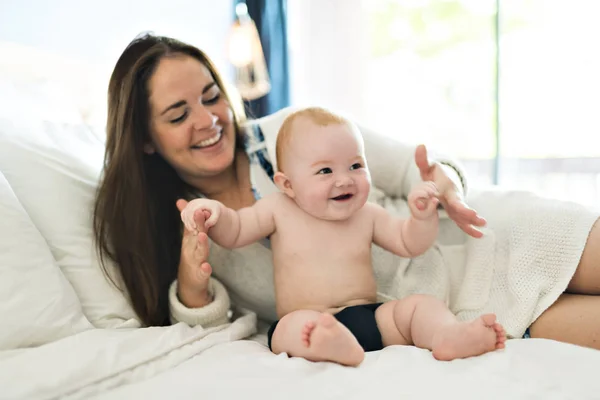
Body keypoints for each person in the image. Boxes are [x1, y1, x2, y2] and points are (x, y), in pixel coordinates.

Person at [93, 33, 600, 353]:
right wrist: (192, 273)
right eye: (179, 114)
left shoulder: (293, 129)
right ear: (143, 139)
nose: (208, 121)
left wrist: (442, 188)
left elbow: (418, 167)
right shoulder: (200, 228)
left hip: (482, 237)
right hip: (441, 314)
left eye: (211, 97)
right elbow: (200, 320)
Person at [180, 107, 507, 366]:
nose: (344, 180)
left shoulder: (367, 214)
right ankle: (330, 345)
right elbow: (235, 229)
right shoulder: (276, 209)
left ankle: (448, 335)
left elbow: (409, 243)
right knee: (286, 333)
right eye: (325, 171)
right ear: (287, 184)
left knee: (419, 307)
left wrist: (421, 217)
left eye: (355, 165)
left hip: (370, 316)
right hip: (308, 318)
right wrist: (213, 213)